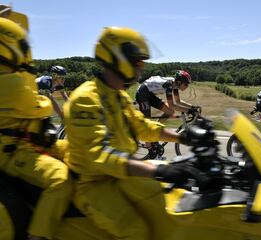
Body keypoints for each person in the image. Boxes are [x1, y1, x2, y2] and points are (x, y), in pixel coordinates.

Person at [63, 26, 209, 239]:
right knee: (136, 231)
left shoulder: (117, 96)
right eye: (138, 62)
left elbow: (142, 127)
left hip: (120, 175)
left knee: (168, 206)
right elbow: (100, 156)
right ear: (118, 59)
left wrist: (186, 137)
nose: (141, 68)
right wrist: (157, 171)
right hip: (94, 183)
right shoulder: (86, 99)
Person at [0, 17, 73, 240]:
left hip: (26, 138)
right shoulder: (14, 82)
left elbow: (59, 100)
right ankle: (38, 235)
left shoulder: (13, 77)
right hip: (15, 150)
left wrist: (66, 108)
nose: (60, 79)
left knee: (77, 149)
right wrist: (64, 114)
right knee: (60, 179)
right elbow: (42, 105)